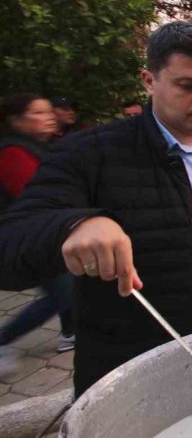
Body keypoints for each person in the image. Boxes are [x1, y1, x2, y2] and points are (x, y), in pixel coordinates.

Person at [0, 21, 192, 396]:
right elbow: (10, 246)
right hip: (147, 366)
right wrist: (75, 224)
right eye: (189, 86)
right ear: (150, 80)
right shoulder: (91, 154)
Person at [0, 94, 75, 376]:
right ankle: (3, 339)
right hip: (35, 239)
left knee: (67, 290)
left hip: (49, 235)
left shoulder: (40, 147)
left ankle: (70, 332)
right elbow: (38, 197)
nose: (49, 117)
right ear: (16, 119)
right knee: (62, 293)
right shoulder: (13, 153)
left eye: (48, 112)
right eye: (38, 113)